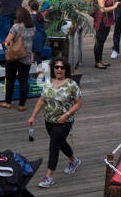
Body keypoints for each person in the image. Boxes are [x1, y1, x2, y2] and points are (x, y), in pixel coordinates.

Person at [28, 57, 82, 189]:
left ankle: (49, 177)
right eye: (56, 67)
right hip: (49, 120)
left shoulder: (71, 85)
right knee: (60, 142)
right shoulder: (48, 82)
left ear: (66, 69)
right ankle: (74, 161)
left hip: (65, 121)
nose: (59, 69)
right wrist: (33, 116)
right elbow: (42, 100)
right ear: (53, 68)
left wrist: (66, 115)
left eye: (62, 67)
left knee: (54, 146)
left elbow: (79, 103)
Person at [0, 8, 34, 112]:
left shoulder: (16, 27)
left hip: (14, 57)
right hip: (26, 57)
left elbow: (7, 40)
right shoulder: (32, 27)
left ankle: (8, 102)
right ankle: (22, 105)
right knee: (24, 82)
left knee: (10, 81)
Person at [93, 0, 116, 68]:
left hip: (107, 20)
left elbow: (108, 2)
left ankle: (100, 60)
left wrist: (113, 0)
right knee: (99, 41)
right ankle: (97, 62)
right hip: (101, 20)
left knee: (102, 41)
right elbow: (102, 9)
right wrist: (114, 7)